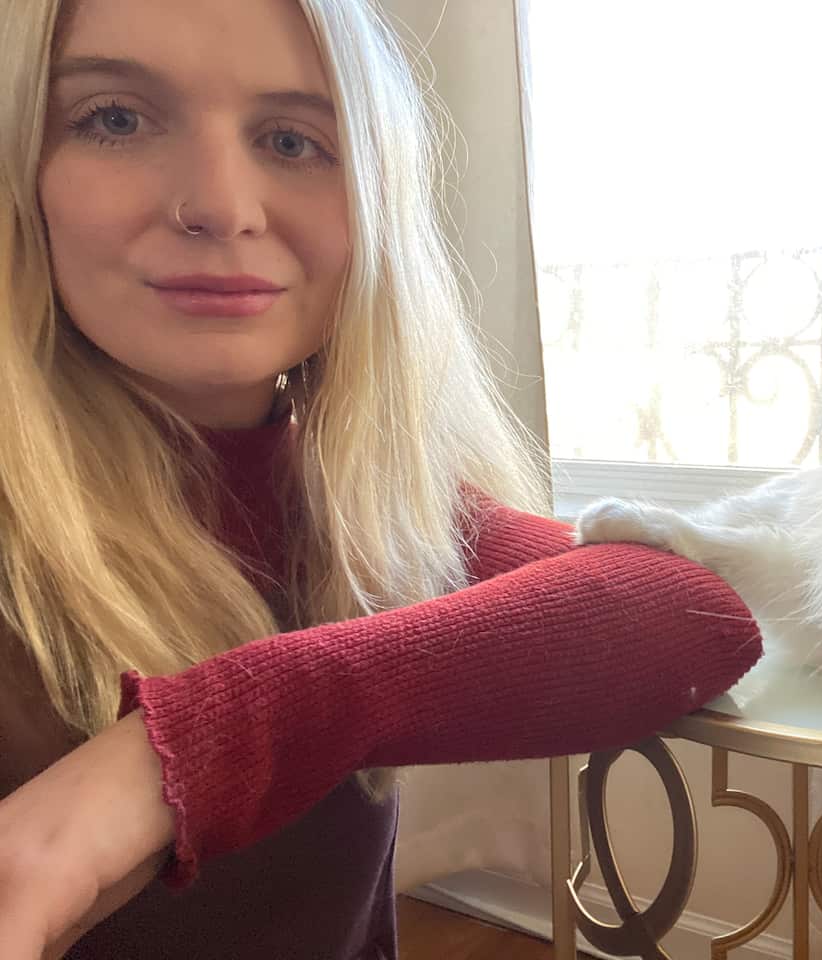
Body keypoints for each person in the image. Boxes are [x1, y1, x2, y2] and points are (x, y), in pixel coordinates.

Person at [0, 0, 762, 957]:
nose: (223, 206)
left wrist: (187, 754)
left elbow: (692, 607)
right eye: (114, 118)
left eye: (292, 139)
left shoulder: (357, 504)